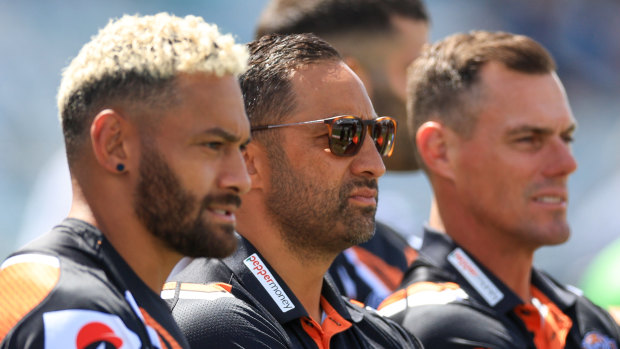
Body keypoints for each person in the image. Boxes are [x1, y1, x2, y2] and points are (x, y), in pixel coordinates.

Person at [0, 13, 251, 348]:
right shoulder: (77, 316)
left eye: (241, 148)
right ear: (115, 144)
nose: (241, 179)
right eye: (212, 145)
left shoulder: (121, 303)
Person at [164, 33, 421, 348]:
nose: (375, 164)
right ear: (248, 162)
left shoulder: (384, 335)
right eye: (343, 134)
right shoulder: (212, 322)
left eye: (379, 134)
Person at [377, 30, 620, 348]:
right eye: (528, 139)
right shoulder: (433, 326)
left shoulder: (576, 312)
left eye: (566, 138)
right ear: (440, 150)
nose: (566, 163)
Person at [255, 0, 431, 308]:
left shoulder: (396, 252)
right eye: (412, 71)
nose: (426, 93)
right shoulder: (212, 279)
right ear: (352, 76)